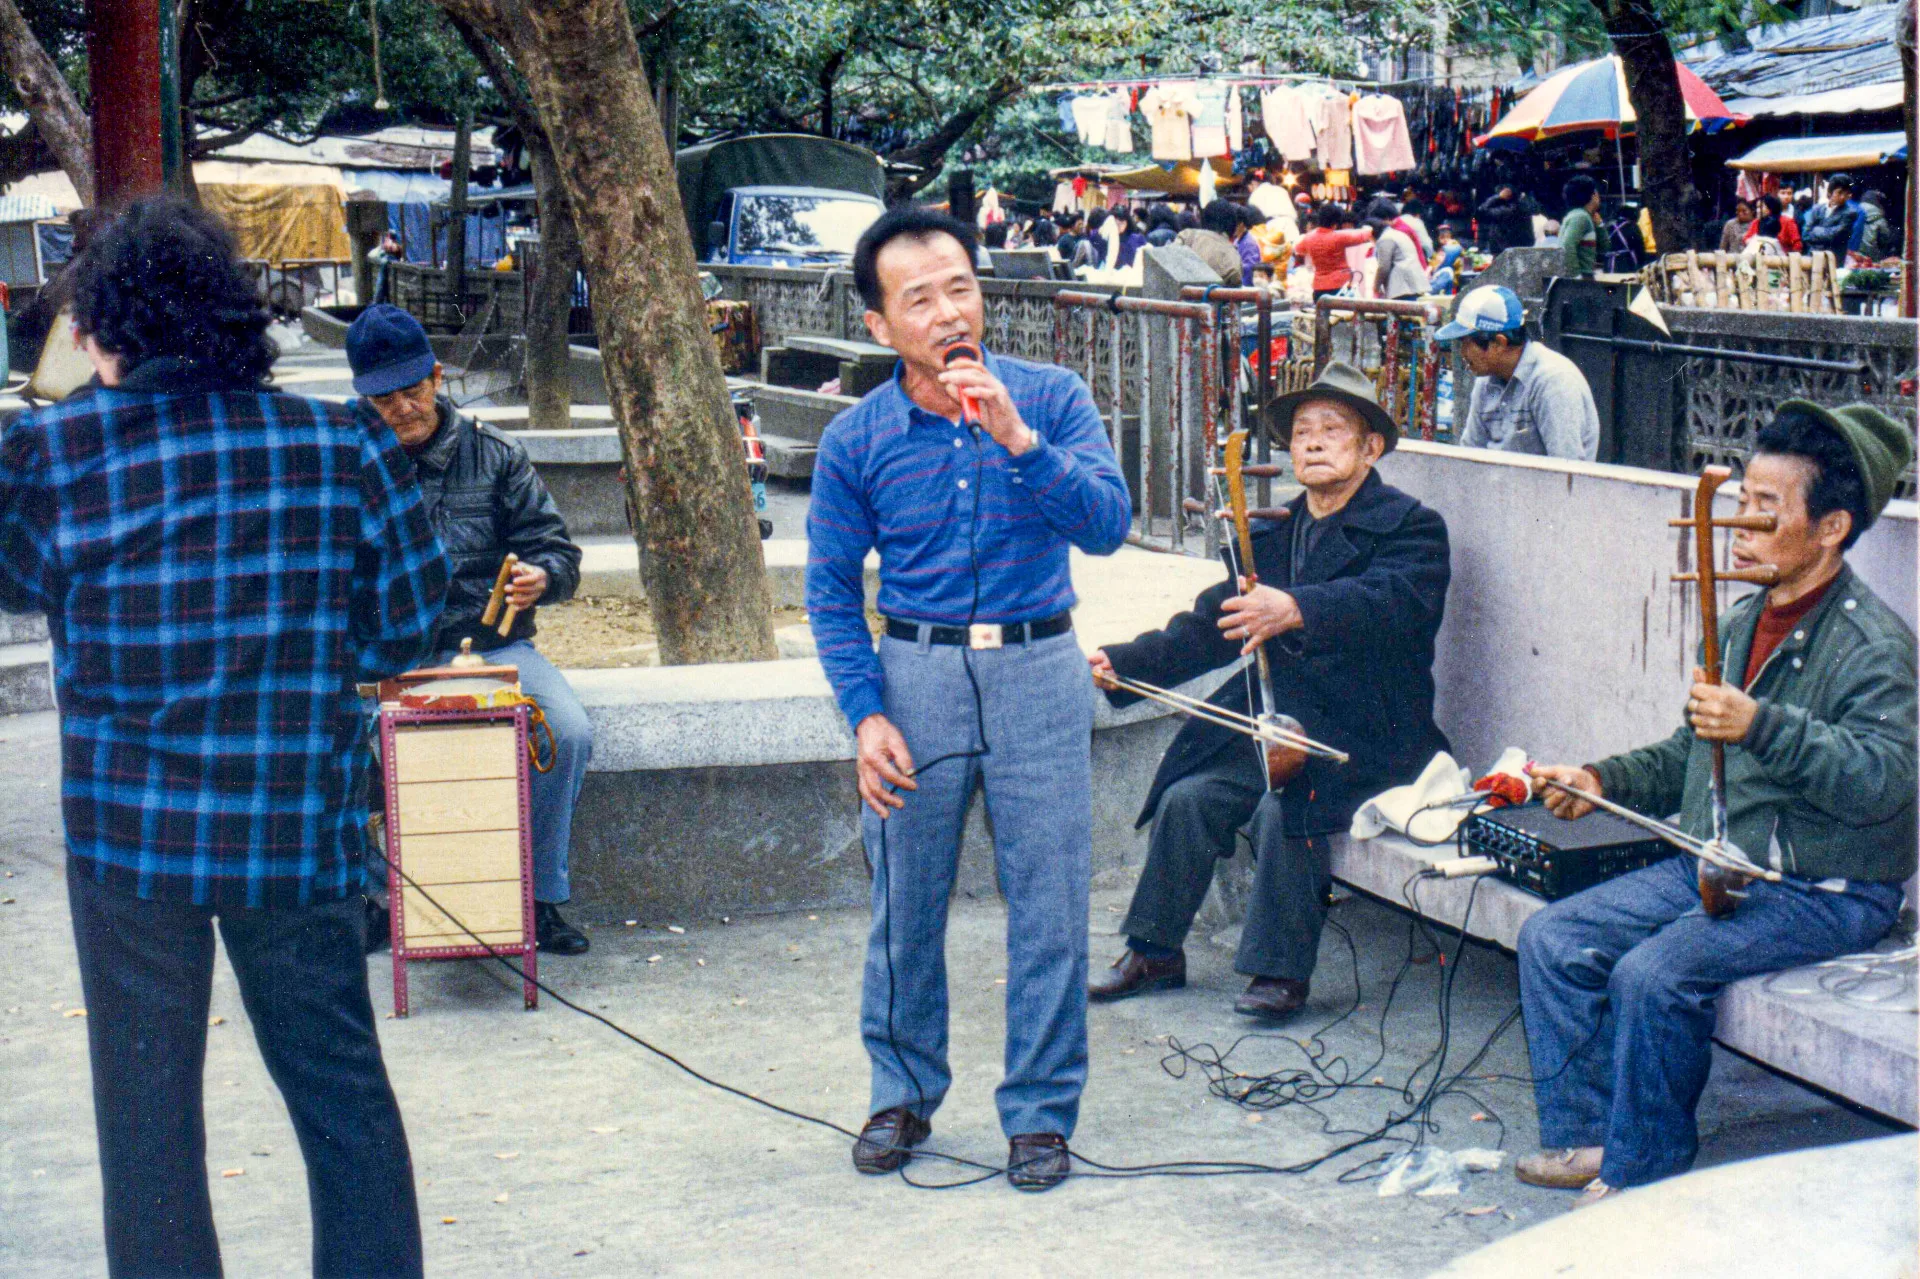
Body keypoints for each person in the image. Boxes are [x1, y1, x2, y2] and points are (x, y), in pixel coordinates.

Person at [0, 197, 442, 1277]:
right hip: (296, 827)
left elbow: (16, 582)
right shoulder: (341, 441)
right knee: (341, 1094)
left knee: (146, 1120)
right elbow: (407, 624)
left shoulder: (52, 451)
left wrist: (72, 404)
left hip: (131, 841)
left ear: (102, 331)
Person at [1517, 400, 1915, 1206]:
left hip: (1824, 886)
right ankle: (1591, 1135)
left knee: (1654, 975)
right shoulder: (1738, 621)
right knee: (1554, 937)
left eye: (1767, 509)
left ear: (1831, 527)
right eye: (1742, 500)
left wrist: (1762, 724)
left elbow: (1886, 781)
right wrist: (1599, 779)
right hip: (1723, 860)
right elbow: (1690, 752)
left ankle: (1644, 1173)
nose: (1740, 525)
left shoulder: (1873, 646)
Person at [808, 207, 1130, 1192]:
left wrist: (1019, 439)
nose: (949, 312)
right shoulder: (855, 438)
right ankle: (902, 1092)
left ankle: (1039, 1113)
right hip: (917, 677)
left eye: (961, 288)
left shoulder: (1052, 397)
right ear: (878, 324)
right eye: (920, 299)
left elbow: (1107, 524)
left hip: (1040, 668)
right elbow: (831, 592)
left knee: (1050, 903)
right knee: (905, 900)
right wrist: (866, 713)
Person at [1087, 362, 1450, 1019]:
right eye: (1302, 432)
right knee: (1189, 796)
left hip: (1371, 733)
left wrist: (1299, 608)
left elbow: (1396, 602)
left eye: (1332, 430)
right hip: (1281, 725)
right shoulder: (1274, 536)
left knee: (1291, 805)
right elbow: (1211, 627)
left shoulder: (1412, 527)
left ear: (1370, 447)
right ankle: (1154, 951)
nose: (1312, 443)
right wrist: (1123, 663)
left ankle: (1281, 972)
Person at [346, 304, 593, 957]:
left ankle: (538, 897)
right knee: (330, 736)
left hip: (491, 646)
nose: (403, 409)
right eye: (383, 399)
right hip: (388, 653)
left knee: (567, 731)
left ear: (437, 376)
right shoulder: (346, 463)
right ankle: (377, 900)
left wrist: (542, 576)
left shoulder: (496, 455)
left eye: (413, 390)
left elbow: (558, 552)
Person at [1442, 285, 1599, 461]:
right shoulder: (1486, 381)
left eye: (1466, 342)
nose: (1462, 352)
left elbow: (1567, 468)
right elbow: (1469, 456)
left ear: (1499, 344)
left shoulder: (1553, 382)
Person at [1292, 203, 1374, 297]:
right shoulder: (1339, 237)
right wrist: (1369, 229)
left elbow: (1298, 249)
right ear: (1335, 223)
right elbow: (1362, 236)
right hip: (1341, 285)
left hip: (1319, 287)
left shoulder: (1308, 238)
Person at [1176, 198, 1248, 286]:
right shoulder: (1233, 256)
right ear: (1232, 225)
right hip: (1212, 294)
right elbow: (1235, 286)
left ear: (1203, 218)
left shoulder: (1186, 236)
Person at [1369, 198, 1428, 300]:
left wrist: (1376, 287)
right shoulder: (1397, 229)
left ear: (1386, 218)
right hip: (1414, 279)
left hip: (1406, 283)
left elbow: (1384, 266)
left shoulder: (1396, 231)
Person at [1801, 174, 1863, 257]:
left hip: (1833, 258)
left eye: (1846, 193)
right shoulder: (1817, 209)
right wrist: (1825, 233)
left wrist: (1816, 230)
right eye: (1839, 192)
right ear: (1830, 192)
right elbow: (1805, 235)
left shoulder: (1850, 213)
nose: (1842, 197)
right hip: (1814, 256)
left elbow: (1835, 236)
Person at [1476, 185, 1538, 256]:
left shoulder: (1505, 211)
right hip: (1524, 249)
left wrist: (1498, 197)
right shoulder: (1524, 208)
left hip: (1504, 250)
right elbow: (1535, 208)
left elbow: (1481, 210)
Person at [1558, 175, 1601, 277]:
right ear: (1593, 195)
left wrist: (1599, 225)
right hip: (1582, 277)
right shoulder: (1580, 217)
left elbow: (1604, 247)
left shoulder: (1582, 216)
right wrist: (1576, 277)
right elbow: (1567, 246)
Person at [1855, 190, 1897, 262]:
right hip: (1871, 255)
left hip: (1852, 253)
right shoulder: (1879, 218)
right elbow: (1885, 239)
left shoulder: (1853, 212)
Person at [1429, 224, 1464, 294]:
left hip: (1452, 279)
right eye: (1442, 237)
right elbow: (1433, 263)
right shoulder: (1437, 251)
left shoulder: (1454, 247)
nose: (1445, 239)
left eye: (1447, 237)